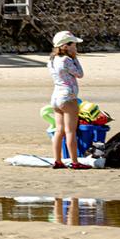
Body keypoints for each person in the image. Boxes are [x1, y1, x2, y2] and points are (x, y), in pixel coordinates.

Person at [49, 30, 85, 170]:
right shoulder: (67, 60)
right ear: (65, 46)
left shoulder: (52, 60)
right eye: (73, 44)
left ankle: (57, 160)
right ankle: (75, 161)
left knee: (59, 130)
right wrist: (75, 58)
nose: (75, 47)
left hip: (56, 97)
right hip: (68, 97)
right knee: (70, 131)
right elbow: (80, 74)